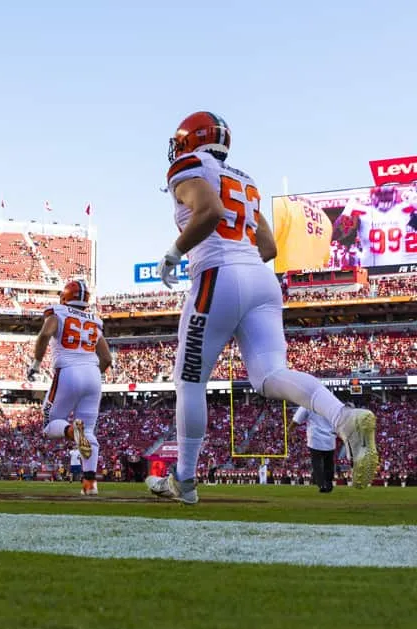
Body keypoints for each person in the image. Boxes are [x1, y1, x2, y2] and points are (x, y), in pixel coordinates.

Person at [147, 111, 378, 504]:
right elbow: (268, 248)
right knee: (271, 374)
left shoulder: (188, 166)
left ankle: (183, 481)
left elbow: (210, 212)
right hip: (260, 280)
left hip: (218, 275)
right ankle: (343, 417)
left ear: (188, 141)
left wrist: (174, 252)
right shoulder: (245, 179)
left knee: (189, 380)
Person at [28, 279, 111, 496]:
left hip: (68, 370)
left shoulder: (59, 312)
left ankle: (71, 431)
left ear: (65, 297)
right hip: (93, 373)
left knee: (49, 424)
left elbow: (45, 334)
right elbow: (107, 358)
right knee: (89, 432)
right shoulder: (95, 321)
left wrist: (36, 364)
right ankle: (90, 485)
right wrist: (90, 374)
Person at [293, 406, 337, 493]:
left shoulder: (307, 403)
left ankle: (322, 484)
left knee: (317, 463)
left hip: (315, 438)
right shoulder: (331, 403)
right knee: (329, 463)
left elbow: (296, 420)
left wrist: (289, 429)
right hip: (329, 438)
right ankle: (328, 483)